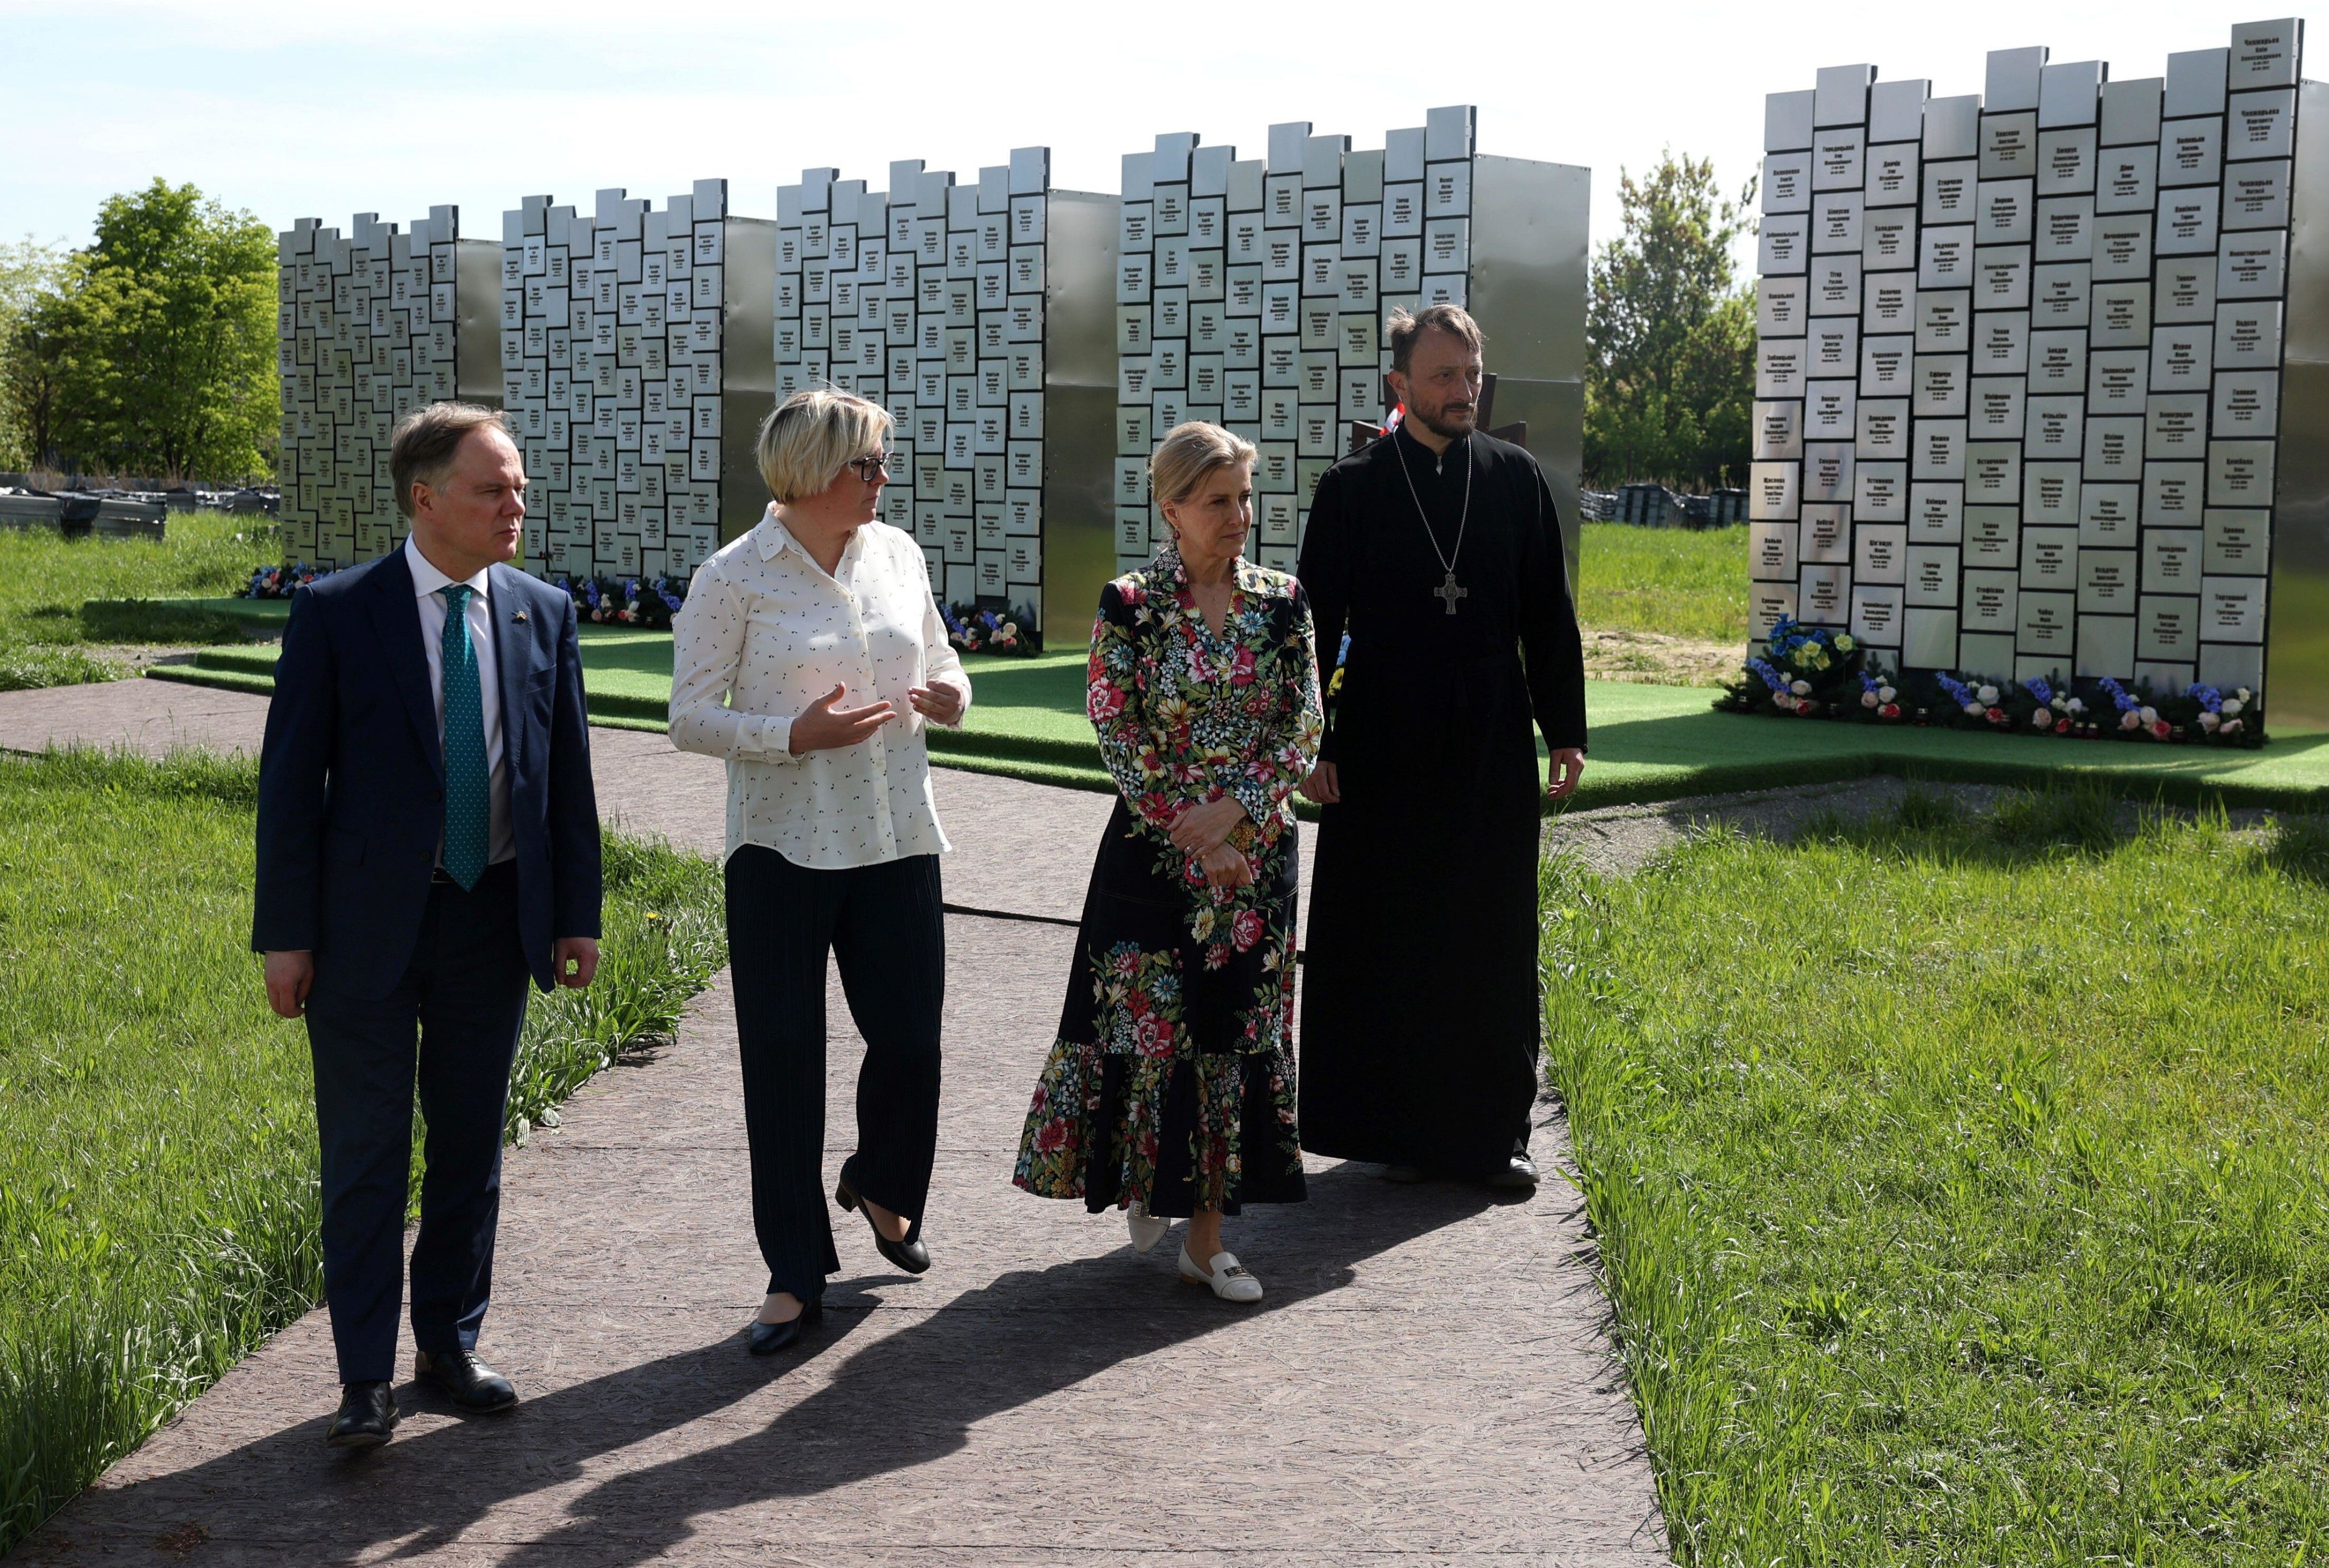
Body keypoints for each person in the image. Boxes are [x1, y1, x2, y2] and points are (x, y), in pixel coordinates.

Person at [254, 403, 603, 1449]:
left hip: (492, 919)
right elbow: (289, 785)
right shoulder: (337, 611)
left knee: (468, 1148)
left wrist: (574, 914)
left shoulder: (542, 611)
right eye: (494, 487)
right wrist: (285, 933)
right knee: (365, 1154)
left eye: (521, 487)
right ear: (425, 495)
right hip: (361, 931)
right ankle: (364, 1381)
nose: (516, 506)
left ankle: (446, 1346)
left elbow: (566, 779)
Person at [669, 387, 969, 1355]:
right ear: (810, 473)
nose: (883, 480)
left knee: (912, 1043)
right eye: (867, 466)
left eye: (883, 464)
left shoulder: (899, 553)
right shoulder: (734, 576)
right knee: (785, 1065)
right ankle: (795, 1275)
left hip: (894, 836)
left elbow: (939, 654)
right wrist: (789, 734)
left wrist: (953, 691)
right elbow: (686, 713)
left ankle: (883, 1187)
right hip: (781, 850)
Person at [1014, 422, 1324, 1303]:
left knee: (1234, 1038)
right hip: (1155, 859)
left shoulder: (1283, 603)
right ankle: (1152, 1182)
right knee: (1153, 1037)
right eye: (1219, 501)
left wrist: (1240, 814)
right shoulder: (1130, 605)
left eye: (1246, 498)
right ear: (1172, 507)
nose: (1241, 516)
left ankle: (1207, 1239)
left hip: (1257, 862)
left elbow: (1302, 726)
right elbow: (1117, 727)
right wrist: (1195, 826)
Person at [1294, 304, 1586, 1190]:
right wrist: (1315, 742)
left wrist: (1564, 727)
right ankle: (1398, 1129)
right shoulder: (1353, 488)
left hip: (1491, 729)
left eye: (1472, 373)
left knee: (1488, 928)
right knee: (1390, 927)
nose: (1464, 391)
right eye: (1444, 376)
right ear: (1400, 387)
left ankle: (1496, 1131)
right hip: (1384, 732)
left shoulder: (1516, 477)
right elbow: (1313, 629)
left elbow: (1547, 610)